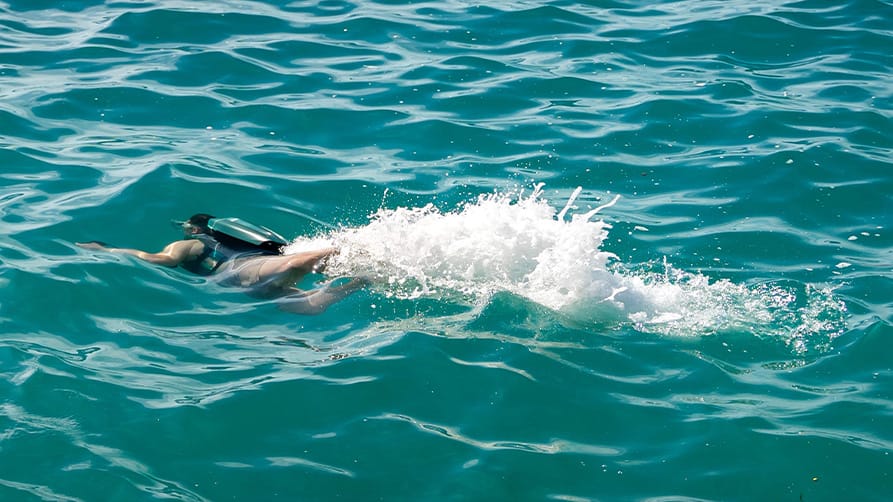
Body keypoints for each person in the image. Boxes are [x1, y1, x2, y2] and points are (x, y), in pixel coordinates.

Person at [77, 213, 368, 314]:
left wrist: (108, 250)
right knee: (294, 278)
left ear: (194, 229)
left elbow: (159, 260)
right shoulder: (240, 238)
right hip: (246, 271)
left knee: (303, 299)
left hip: (235, 277)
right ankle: (361, 276)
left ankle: (357, 269)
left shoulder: (190, 243)